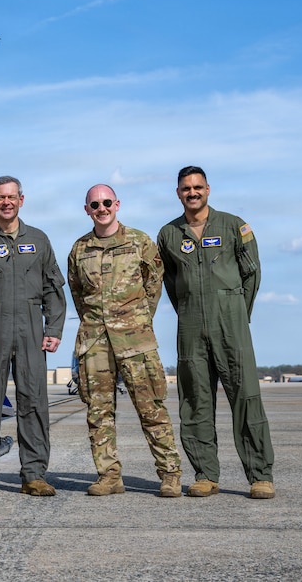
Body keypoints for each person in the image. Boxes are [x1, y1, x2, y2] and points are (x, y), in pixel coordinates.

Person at [156, 166, 275, 499]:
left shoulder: (235, 225)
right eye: (185, 188)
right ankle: (205, 473)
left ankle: (260, 475)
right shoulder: (168, 234)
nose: (192, 193)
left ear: (208, 189)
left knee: (246, 397)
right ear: (178, 193)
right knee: (195, 400)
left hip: (231, 322)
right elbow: (169, 281)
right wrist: (188, 308)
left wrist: (237, 311)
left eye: (197, 187)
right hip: (191, 325)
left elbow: (252, 272)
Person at [66, 184, 182, 497]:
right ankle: (109, 476)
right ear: (87, 209)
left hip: (136, 341)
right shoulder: (79, 250)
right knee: (98, 413)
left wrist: (137, 319)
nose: (101, 208)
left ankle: (170, 474)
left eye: (106, 202)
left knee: (152, 409)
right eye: (94, 204)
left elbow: (154, 285)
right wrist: (98, 323)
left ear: (117, 204)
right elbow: (78, 294)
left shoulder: (140, 242)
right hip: (95, 343)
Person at [0, 176, 66, 497]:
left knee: (33, 402)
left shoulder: (40, 240)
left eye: (12, 197)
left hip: (31, 330)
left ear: (21, 199)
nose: (6, 202)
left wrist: (54, 328)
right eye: (0, 198)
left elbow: (53, 288)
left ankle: (34, 474)